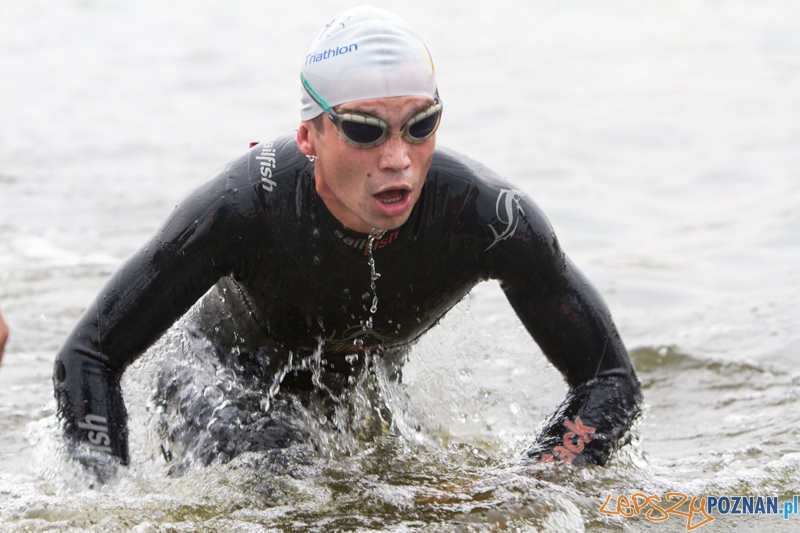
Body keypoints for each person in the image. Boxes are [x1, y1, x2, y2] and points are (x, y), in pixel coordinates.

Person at [53, 6, 641, 471]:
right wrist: (99, 492)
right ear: (309, 136)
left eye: (421, 125)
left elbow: (608, 380)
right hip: (218, 381)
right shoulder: (242, 207)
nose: (398, 160)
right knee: (276, 482)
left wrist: (541, 478)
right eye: (364, 130)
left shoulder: (488, 218)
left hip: (361, 398)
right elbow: (89, 356)